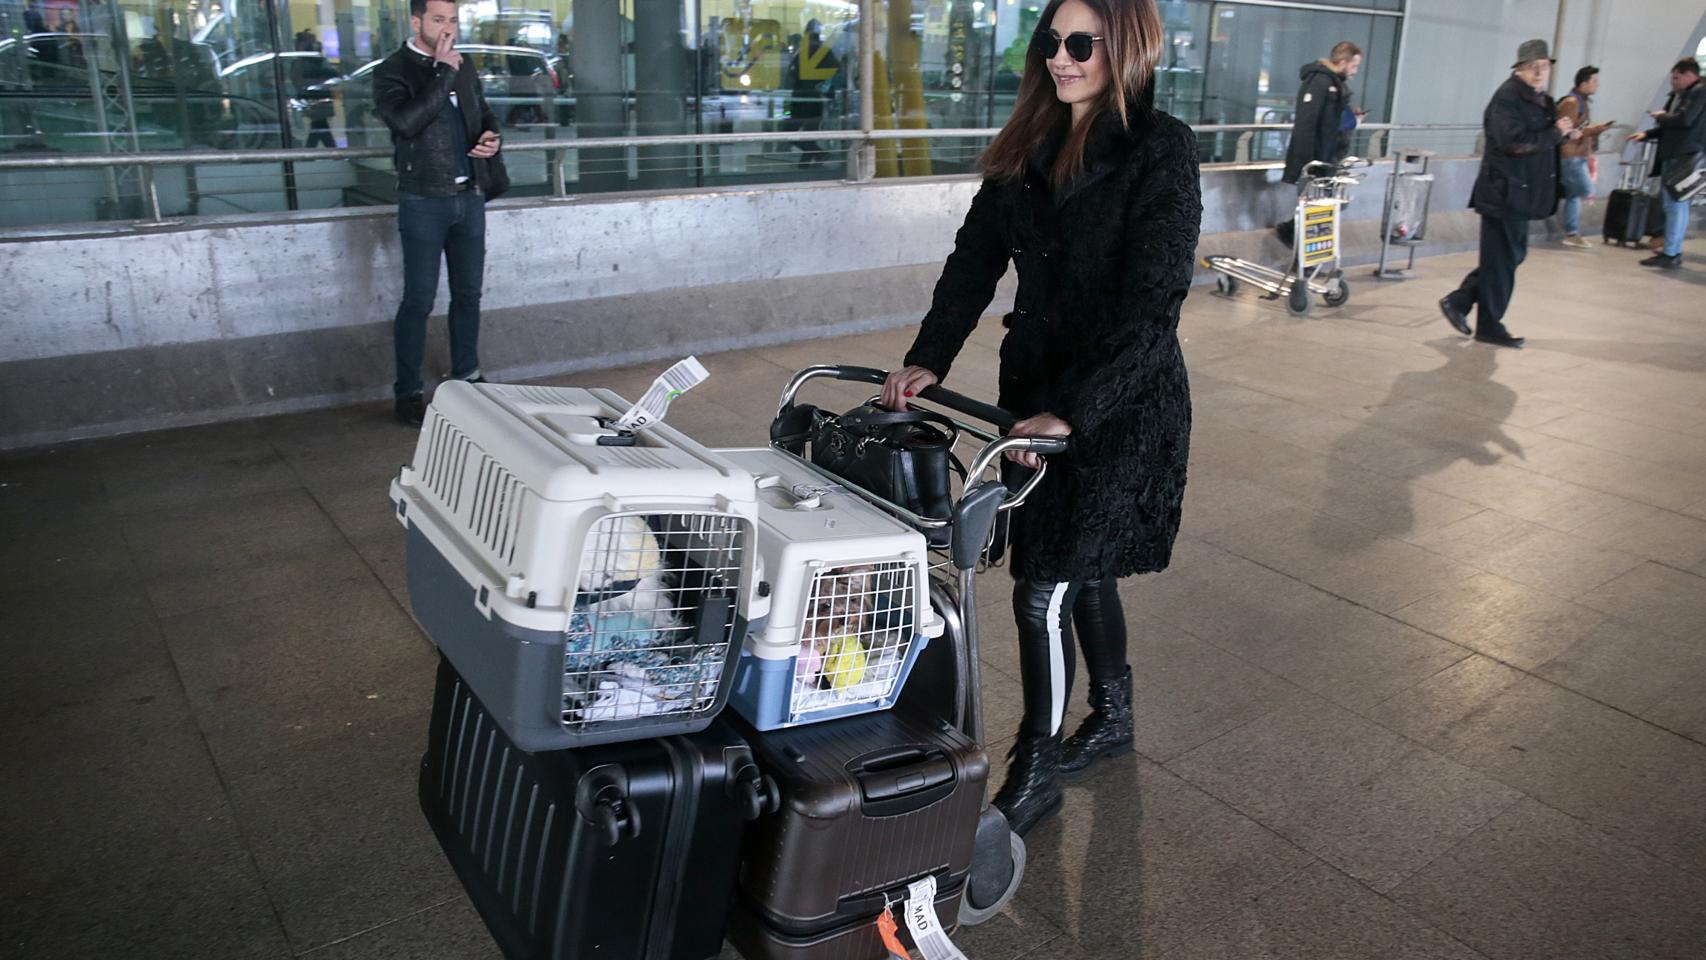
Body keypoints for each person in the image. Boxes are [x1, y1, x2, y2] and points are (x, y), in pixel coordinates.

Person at [880, 0, 1199, 836]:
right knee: (1078, 565)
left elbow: (1154, 305)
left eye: (1081, 43)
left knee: (1041, 588)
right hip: (1037, 397)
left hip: (1119, 402)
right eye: (1052, 41)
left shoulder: (1160, 150)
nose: (1062, 58)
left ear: (1125, 48)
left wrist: (1076, 413)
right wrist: (930, 356)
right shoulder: (1028, 143)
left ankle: (1037, 759)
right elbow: (974, 259)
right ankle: (1116, 716)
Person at [374, 0, 503, 426]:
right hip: (423, 199)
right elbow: (406, 122)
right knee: (419, 300)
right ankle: (408, 392)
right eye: (438, 19)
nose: (448, 27)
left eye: (452, 19)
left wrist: (491, 138)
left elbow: (481, 113)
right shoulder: (394, 69)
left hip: (469, 197)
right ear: (417, 22)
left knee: (469, 295)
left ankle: (468, 373)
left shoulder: (463, 67)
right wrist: (443, 70)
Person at [1439, 39, 1579, 350]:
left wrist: (1564, 130)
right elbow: (1512, 142)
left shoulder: (1539, 99)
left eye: (1544, 66)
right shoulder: (1508, 99)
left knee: (1507, 257)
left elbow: (1541, 136)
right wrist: (1555, 134)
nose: (1540, 72)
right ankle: (1487, 324)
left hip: (1521, 193)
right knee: (1504, 258)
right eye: (1533, 67)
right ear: (1519, 68)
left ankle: (1461, 302)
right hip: (1504, 192)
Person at [1275, 41, 1363, 247]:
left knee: (1330, 203)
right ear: (1342, 62)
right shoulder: (1320, 82)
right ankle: (1293, 236)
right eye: (1354, 66)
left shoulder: (1335, 84)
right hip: (1318, 160)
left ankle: (1298, 238)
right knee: (1320, 203)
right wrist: (1308, 165)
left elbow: (1330, 120)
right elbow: (1307, 124)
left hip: (1329, 157)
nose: (1355, 71)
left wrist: (1351, 118)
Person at [1629, 58, 1705, 270]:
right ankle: (1671, 249)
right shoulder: (1681, 95)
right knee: (1674, 205)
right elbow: (1672, 124)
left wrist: (1662, 117)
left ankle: (1671, 252)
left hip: (1684, 156)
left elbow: (1684, 120)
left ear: (1690, 75)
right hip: (1675, 154)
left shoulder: (1699, 92)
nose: (1673, 82)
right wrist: (1647, 133)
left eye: (1676, 77)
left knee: (1676, 205)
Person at [1556, 66, 1613, 248]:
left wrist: (1596, 129)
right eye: (1594, 81)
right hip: (1569, 155)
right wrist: (1594, 130)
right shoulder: (1572, 103)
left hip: (1577, 154)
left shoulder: (1582, 102)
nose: (1597, 85)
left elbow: (1578, 129)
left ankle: (1572, 232)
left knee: (1574, 195)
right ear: (1583, 83)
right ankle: (1571, 232)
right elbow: (1568, 130)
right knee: (1586, 190)